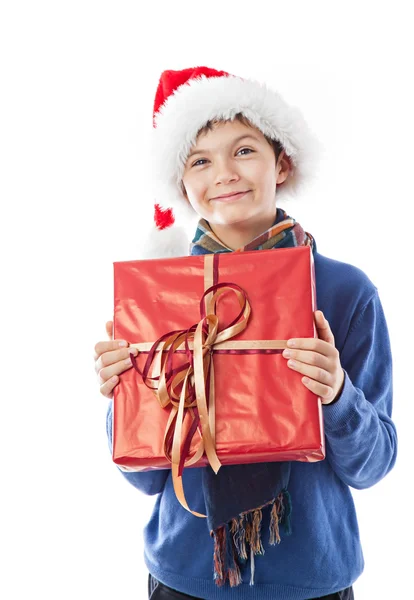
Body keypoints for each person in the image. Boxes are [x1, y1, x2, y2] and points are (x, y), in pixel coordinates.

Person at [93, 66, 398, 600]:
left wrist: (337, 395)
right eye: (200, 160)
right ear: (181, 184)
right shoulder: (157, 295)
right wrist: (126, 395)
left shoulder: (345, 290)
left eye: (244, 150)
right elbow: (144, 480)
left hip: (313, 581)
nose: (224, 173)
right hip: (184, 579)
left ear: (281, 163)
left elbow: (373, 465)